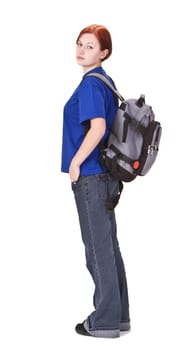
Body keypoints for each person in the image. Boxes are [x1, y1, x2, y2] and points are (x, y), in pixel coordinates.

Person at [61, 24, 130, 338]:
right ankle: (119, 316)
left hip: (90, 175)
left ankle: (103, 321)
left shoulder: (91, 84)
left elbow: (98, 128)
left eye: (90, 46)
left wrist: (75, 161)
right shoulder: (106, 82)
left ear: (104, 52)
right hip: (105, 177)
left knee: (97, 250)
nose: (81, 49)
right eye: (79, 43)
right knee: (108, 247)